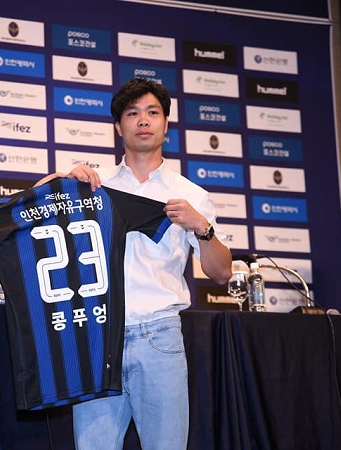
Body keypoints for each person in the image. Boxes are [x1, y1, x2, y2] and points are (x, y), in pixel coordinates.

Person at [66, 78, 232, 449]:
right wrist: (63, 181)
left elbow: (222, 273)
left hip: (160, 336)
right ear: (118, 126)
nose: (143, 120)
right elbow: (32, 209)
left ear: (166, 123)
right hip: (99, 335)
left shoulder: (190, 194)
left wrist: (202, 228)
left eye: (152, 112)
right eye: (133, 113)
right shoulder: (92, 184)